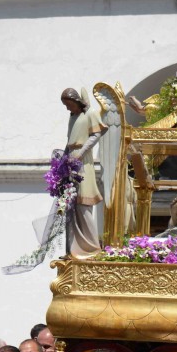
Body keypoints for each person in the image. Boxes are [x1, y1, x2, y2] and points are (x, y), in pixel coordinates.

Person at [61, 87, 107, 259]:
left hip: (82, 162)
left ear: (76, 101)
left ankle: (92, 247)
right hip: (70, 162)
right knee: (70, 205)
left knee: (83, 203)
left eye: (68, 104)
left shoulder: (90, 114)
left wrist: (80, 154)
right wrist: (63, 159)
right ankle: (73, 249)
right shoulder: (72, 117)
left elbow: (96, 135)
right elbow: (69, 141)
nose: (67, 108)